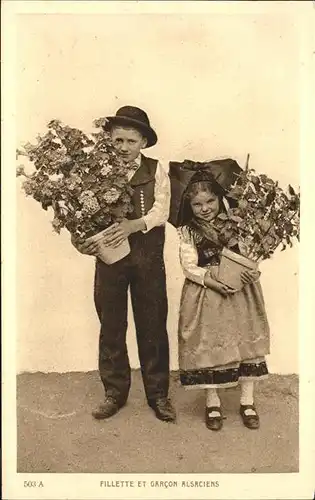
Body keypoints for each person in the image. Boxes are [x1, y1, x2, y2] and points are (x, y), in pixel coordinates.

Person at [72, 106, 176, 423]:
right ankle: (114, 393)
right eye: (118, 141)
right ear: (110, 140)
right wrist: (80, 242)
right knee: (112, 326)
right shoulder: (94, 170)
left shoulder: (157, 170)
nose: (124, 148)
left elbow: (162, 211)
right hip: (110, 260)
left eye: (131, 141)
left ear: (143, 141)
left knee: (153, 326)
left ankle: (158, 395)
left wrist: (135, 225)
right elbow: (79, 217)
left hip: (147, 257)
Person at [177, 171, 270, 431]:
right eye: (197, 204)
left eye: (210, 202)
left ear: (220, 198)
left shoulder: (238, 223)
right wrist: (213, 281)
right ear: (189, 206)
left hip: (241, 290)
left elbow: (251, 254)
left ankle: (247, 400)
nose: (204, 209)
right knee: (209, 342)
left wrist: (252, 269)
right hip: (207, 291)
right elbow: (188, 266)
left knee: (245, 341)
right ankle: (212, 400)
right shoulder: (187, 231)